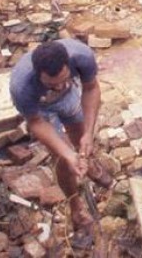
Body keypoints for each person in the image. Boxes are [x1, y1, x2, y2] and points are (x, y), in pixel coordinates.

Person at [9, 39, 102, 237]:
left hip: (70, 98)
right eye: (52, 83)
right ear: (38, 75)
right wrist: (67, 154)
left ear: (68, 65)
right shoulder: (22, 87)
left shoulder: (82, 56)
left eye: (63, 79)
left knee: (81, 137)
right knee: (64, 159)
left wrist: (89, 133)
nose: (59, 86)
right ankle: (76, 207)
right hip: (41, 109)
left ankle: (88, 162)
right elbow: (35, 122)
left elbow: (91, 88)